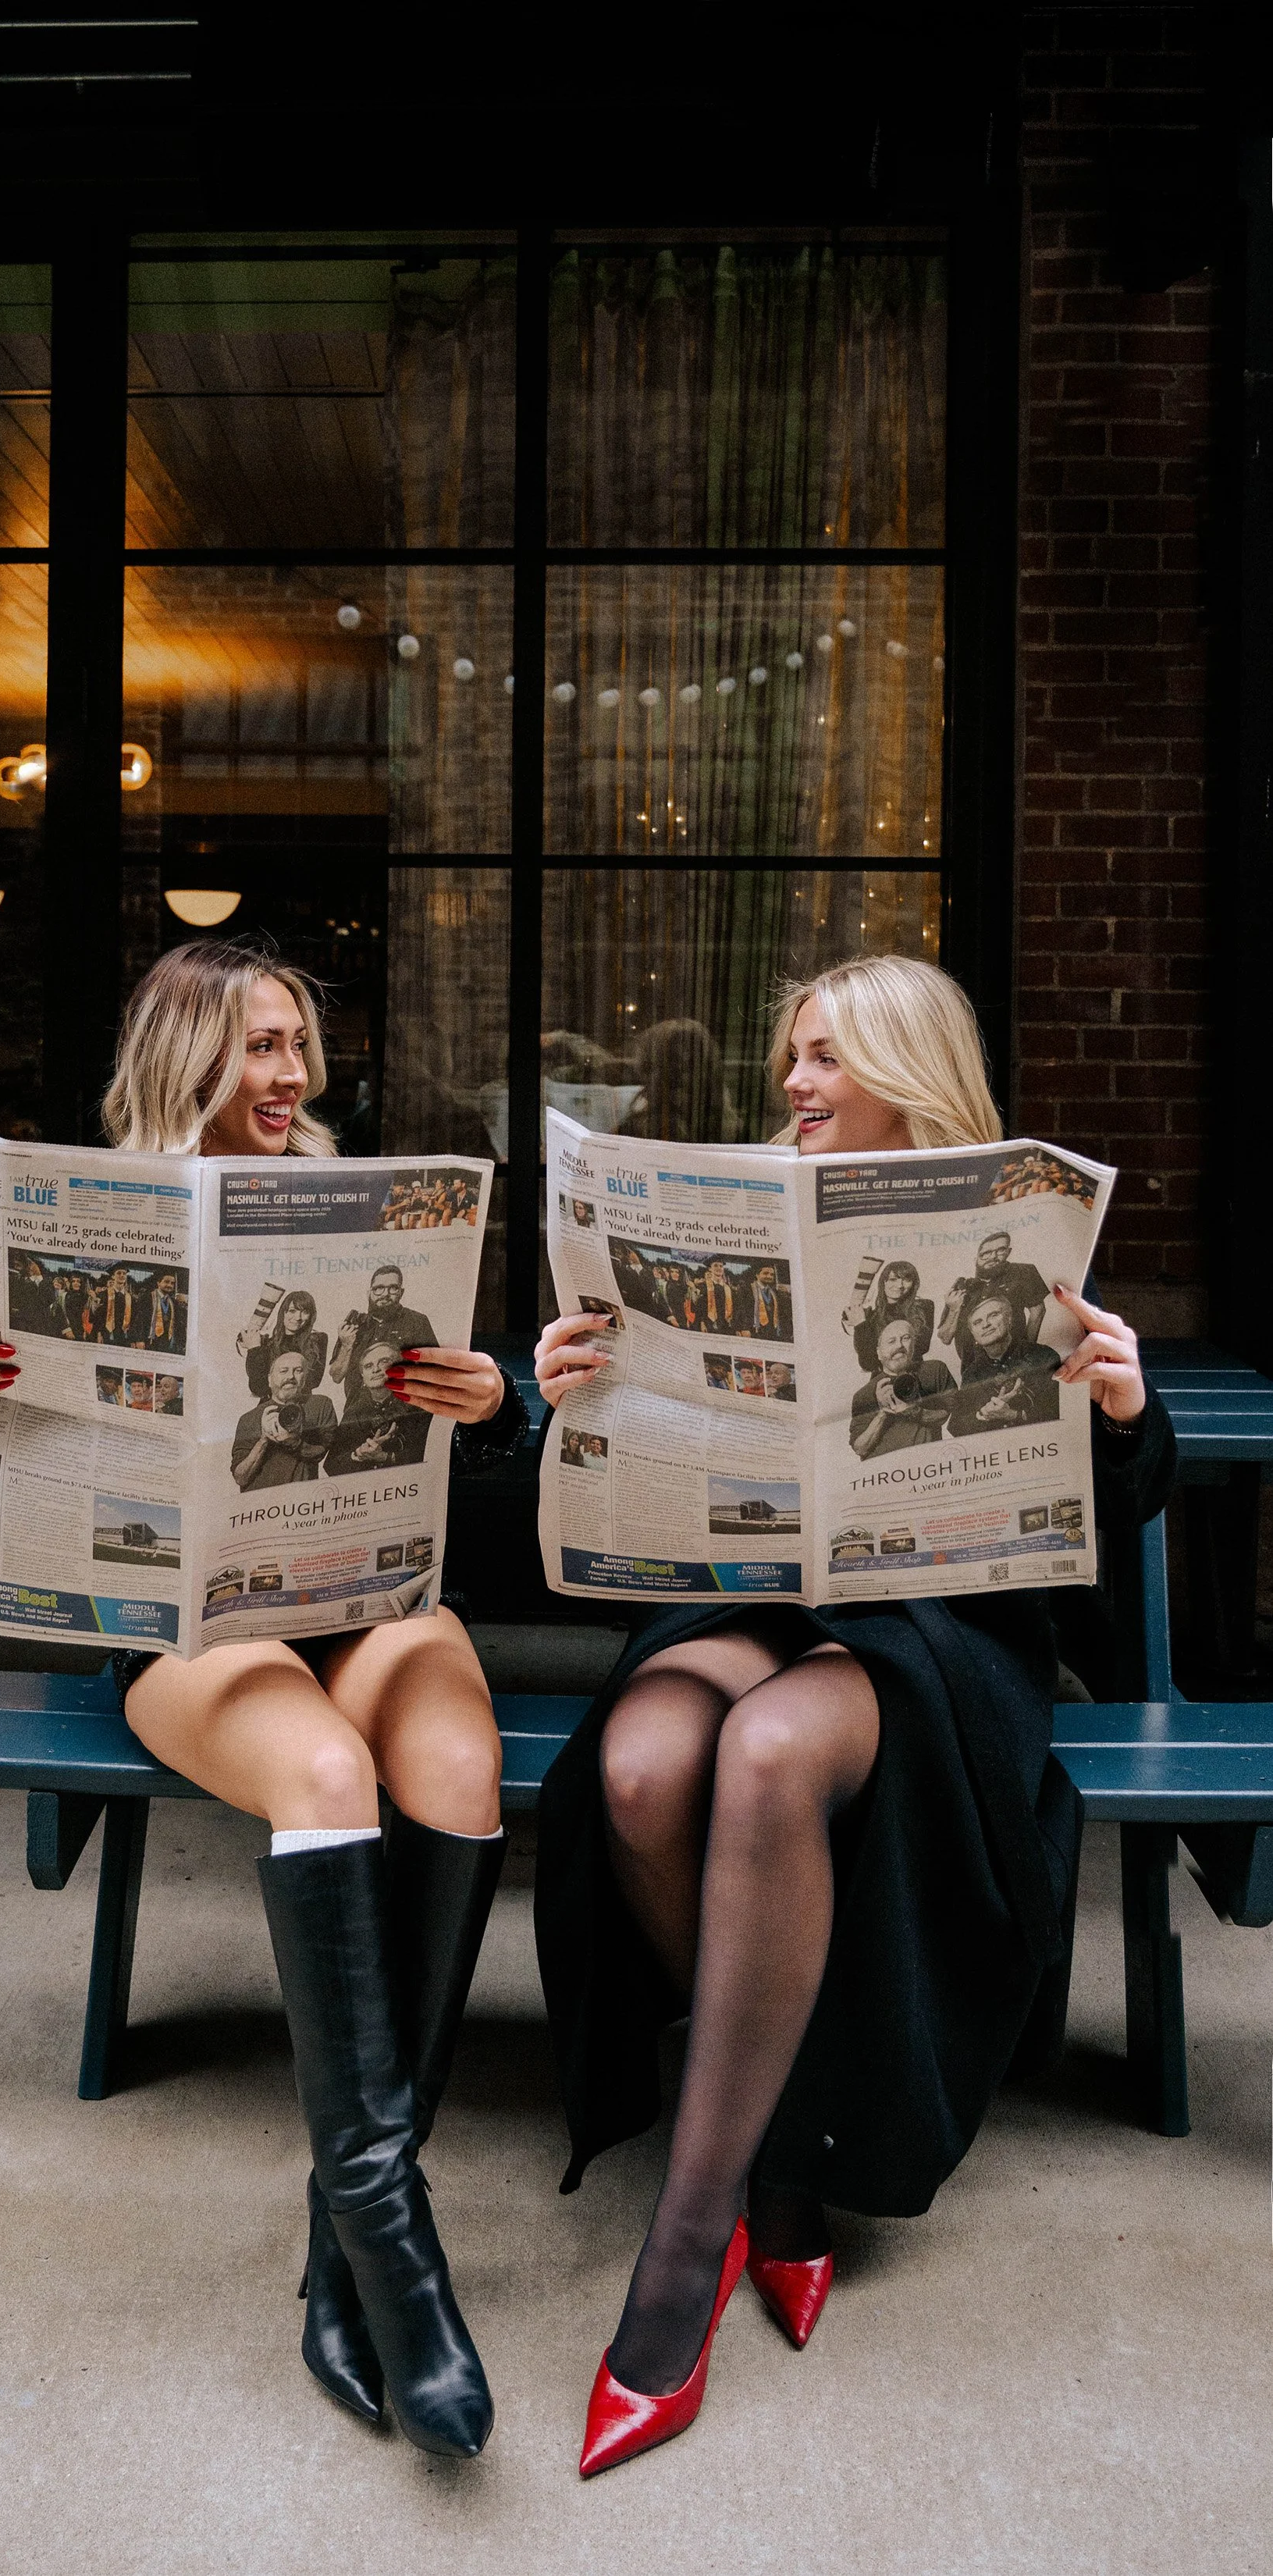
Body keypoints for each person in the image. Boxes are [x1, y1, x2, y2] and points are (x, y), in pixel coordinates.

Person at [530, 949, 1175, 2479]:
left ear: (905, 1069)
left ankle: (684, 2261)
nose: (793, 1085)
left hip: (937, 1637)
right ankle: (777, 2154)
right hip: (741, 1602)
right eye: (791, 1058)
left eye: (822, 1057)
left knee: (759, 1756)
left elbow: (1119, 1511)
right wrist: (568, 1390)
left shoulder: (1015, 1244)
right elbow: (598, 1471)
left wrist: (1122, 1409)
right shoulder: (725, 1218)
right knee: (633, 1767)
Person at [0, 936, 529, 2463]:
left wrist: (485, 1398)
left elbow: (465, 1434)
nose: (291, 1074)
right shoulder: (96, 1214)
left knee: (452, 1757)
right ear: (186, 1057)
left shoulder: (348, 1211)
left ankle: (343, 2255)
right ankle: (398, 2258)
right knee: (322, 1777)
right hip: (191, 1631)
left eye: (299, 1045)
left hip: (363, 1593)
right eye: (258, 1046)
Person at [947, 1288, 1061, 1435]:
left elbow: (1060, 1410)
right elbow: (956, 1426)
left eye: (993, 1315)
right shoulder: (972, 1374)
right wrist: (983, 1414)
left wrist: (1014, 1415)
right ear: (974, 1335)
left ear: (1009, 1320)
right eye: (977, 1322)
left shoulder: (1043, 1356)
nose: (985, 1325)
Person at [330, 1265, 438, 1407]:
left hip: (404, 1410)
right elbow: (336, 1376)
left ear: (401, 1292)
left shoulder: (417, 1322)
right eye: (379, 1288)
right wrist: (346, 1345)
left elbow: (434, 1372)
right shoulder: (354, 1325)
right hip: (358, 1412)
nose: (385, 1294)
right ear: (369, 1292)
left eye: (393, 1288)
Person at [848, 1317, 956, 1457]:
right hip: (887, 1471)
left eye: (905, 1338)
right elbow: (860, 1449)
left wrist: (913, 1411)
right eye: (891, 1341)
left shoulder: (934, 1371)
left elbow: (951, 1412)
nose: (899, 1346)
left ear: (914, 1345)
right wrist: (883, 1413)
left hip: (927, 1463)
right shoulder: (864, 1394)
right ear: (879, 1353)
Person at [937, 1230, 1049, 1365]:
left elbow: (1038, 1311)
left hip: (1012, 1362)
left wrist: (1024, 1354)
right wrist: (954, 1309)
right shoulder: (963, 1286)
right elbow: (945, 1338)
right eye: (986, 1254)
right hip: (972, 1367)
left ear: (1008, 1252)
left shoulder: (1022, 1272)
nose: (993, 1257)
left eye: (1000, 1250)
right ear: (976, 1259)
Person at [323, 1339, 432, 1476]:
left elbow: (431, 1457)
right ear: (363, 1376)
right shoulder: (354, 1412)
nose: (376, 1369)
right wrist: (358, 1454)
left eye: (384, 1361)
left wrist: (386, 1457)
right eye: (368, 1366)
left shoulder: (419, 1405)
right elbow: (331, 1465)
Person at [230, 1347, 336, 1488]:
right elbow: (241, 1478)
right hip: (261, 1502)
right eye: (283, 1371)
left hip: (301, 1499)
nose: (291, 1377)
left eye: (298, 1370)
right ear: (270, 1379)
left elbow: (322, 1452)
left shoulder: (320, 1405)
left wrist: (294, 1442)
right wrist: (264, 1439)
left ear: (305, 1378)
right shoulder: (249, 1419)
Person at [846, 1258, 933, 1373]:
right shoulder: (871, 1317)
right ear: (884, 1282)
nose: (900, 1285)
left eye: (907, 1280)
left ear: (914, 1283)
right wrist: (860, 1325)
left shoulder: (924, 1307)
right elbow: (868, 1364)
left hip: (914, 1375)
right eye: (893, 1279)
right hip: (882, 1379)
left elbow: (922, 1347)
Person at [243, 1287, 328, 1403]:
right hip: (270, 1405)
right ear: (284, 1313)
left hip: (301, 1405)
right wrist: (254, 1350)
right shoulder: (268, 1345)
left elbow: (313, 1381)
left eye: (305, 1312)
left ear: (311, 1316)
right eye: (293, 1311)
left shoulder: (317, 1340)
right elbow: (258, 1389)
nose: (298, 1318)